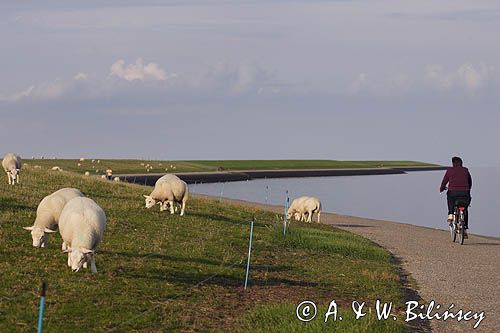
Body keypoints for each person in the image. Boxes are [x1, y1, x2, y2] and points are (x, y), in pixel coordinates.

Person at [439, 156, 472, 238]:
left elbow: (444, 181)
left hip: (452, 193)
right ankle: (464, 228)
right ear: (461, 163)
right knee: (465, 208)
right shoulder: (465, 170)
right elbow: (470, 182)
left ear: (453, 163)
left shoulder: (450, 170)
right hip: (465, 193)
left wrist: (441, 189)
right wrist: (468, 189)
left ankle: (450, 214)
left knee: (450, 199)